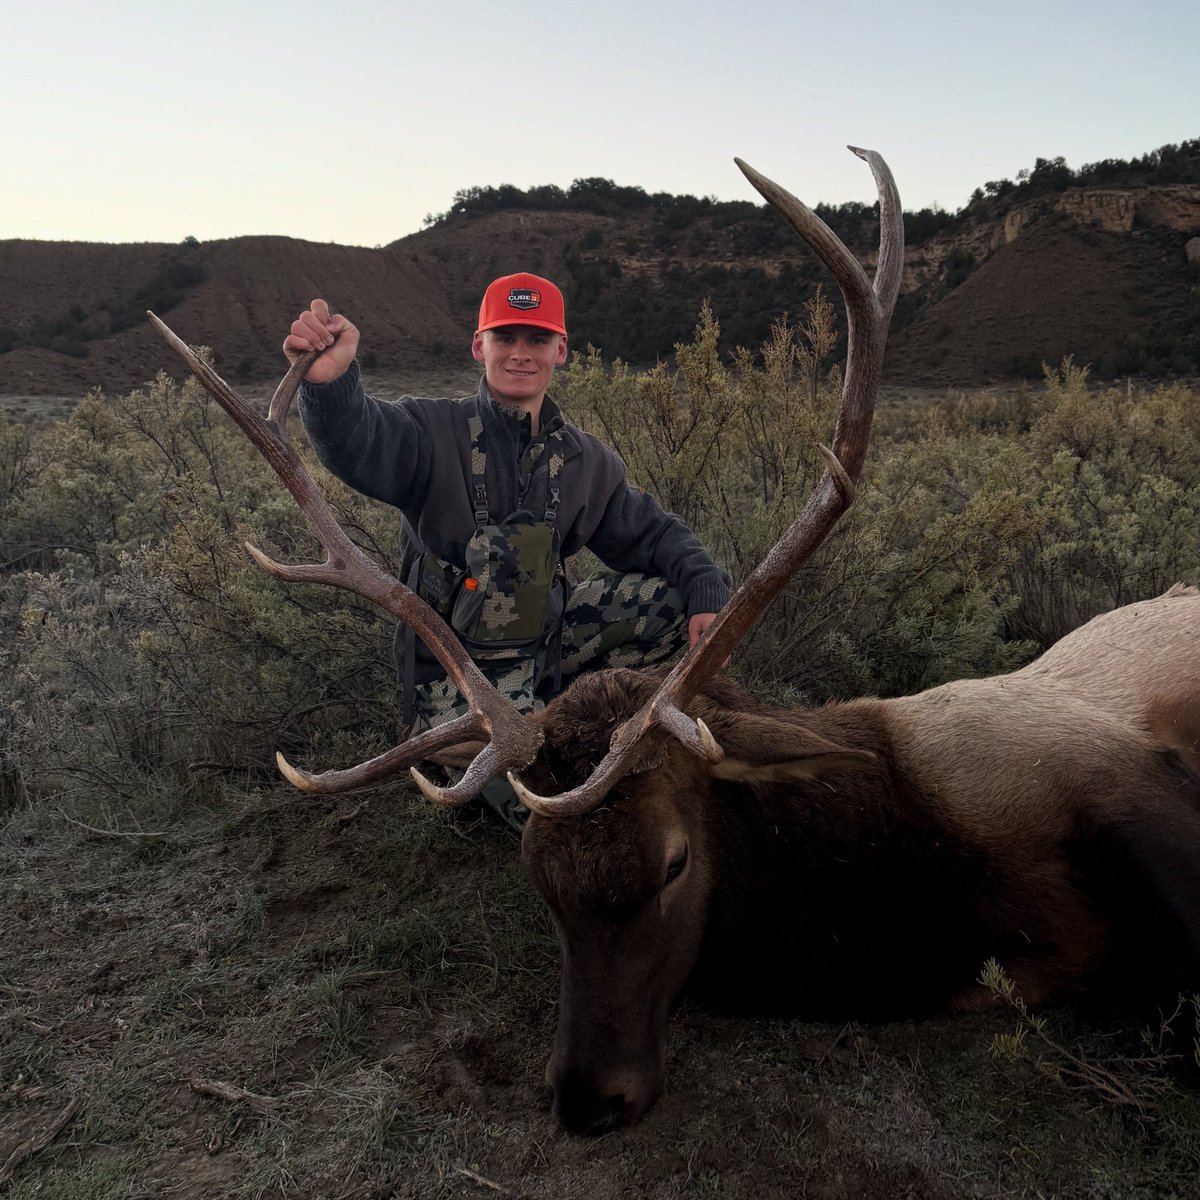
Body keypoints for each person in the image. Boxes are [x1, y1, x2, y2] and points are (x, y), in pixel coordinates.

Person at [284, 272, 730, 827]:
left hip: (546, 649)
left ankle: (588, 723)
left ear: (560, 350)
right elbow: (359, 442)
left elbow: (656, 535)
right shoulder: (427, 432)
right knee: (551, 818)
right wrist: (332, 388)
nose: (521, 354)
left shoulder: (586, 462)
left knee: (670, 603)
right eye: (505, 338)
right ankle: (469, 756)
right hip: (454, 677)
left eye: (537, 340)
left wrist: (708, 596)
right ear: (480, 346)